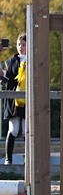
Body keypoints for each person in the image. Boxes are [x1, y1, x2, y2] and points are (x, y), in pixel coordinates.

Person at [2, 34, 28, 165]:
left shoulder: (33, 61)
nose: (21, 47)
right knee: (13, 129)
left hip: (28, 100)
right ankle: (8, 160)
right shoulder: (11, 61)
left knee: (26, 130)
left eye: (23, 44)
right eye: (19, 44)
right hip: (13, 100)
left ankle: (28, 159)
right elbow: (7, 78)